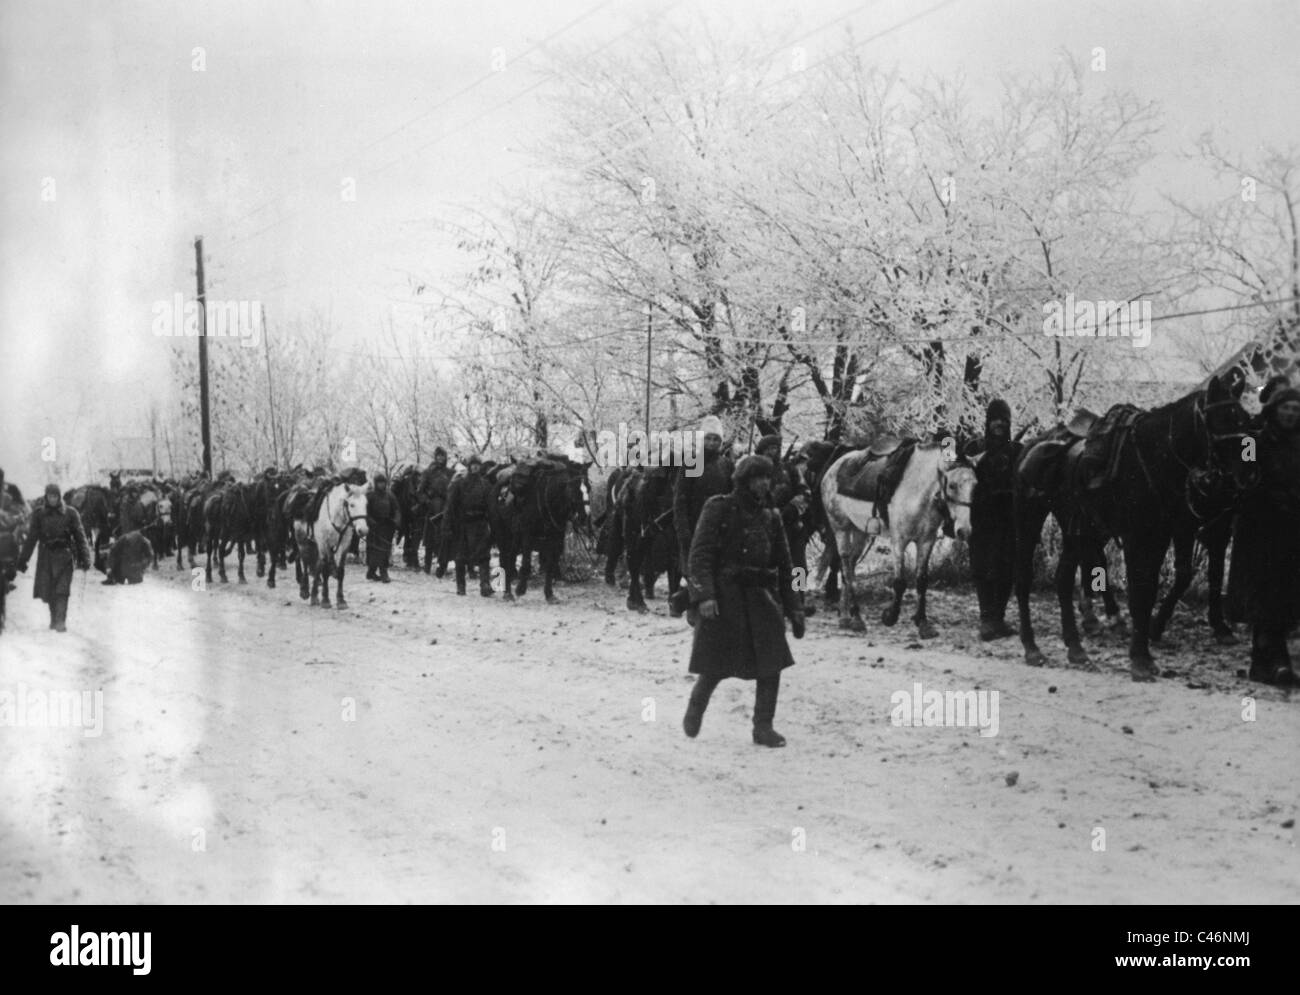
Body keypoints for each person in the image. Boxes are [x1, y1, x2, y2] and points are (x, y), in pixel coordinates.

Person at [682, 455, 806, 748]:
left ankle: (763, 727)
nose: (764, 483)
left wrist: (795, 607)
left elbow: (788, 566)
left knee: (771, 665)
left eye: (767, 478)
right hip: (726, 597)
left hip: (762, 597)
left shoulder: (772, 516)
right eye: (758, 477)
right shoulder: (719, 507)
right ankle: (695, 707)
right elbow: (699, 555)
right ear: (744, 479)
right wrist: (705, 596)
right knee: (715, 666)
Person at [1230, 385, 1300, 685]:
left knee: (1284, 598)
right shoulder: (1252, 440)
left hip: (1292, 532)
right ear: (1273, 409)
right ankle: (1276, 663)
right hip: (1261, 532)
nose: (1291, 414)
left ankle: (1263, 665)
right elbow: (1243, 480)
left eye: (1297, 410)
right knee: (1265, 597)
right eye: (1286, 408)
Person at [963, 399, 1022, 640]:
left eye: (1004, 419)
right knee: (983, 568)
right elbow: (953, 467)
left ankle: (998, 618)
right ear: (988, 421)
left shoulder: (1017, 450)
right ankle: (986, 619)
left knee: (1006, 570)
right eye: (995, 419)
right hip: (981, 518)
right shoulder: (974, 447)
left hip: (1009, 519)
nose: (999, 424)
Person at [16, 482, 91, 632]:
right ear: (46, 496)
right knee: (50, 591)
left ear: (59, 496)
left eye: (55, 496)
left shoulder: (71, 513)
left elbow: (80, 536)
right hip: (46, 557)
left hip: (65, 556)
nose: (53, 499)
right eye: (50, 496)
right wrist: (23, 560)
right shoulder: (39, 515)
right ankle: (54, 619)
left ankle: (60, 621)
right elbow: (32, 538)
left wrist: (85, 557)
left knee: (62, 590)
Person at [754, 433, 815, 615]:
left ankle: (798, 603)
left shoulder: (789, 470)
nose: (772, 452)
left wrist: (793, 508)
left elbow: (805, 493)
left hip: (791, 527)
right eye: (768, 449)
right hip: (763, 529)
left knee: (799, 567)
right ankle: (769, 603)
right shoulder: (753, 472)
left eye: (775, 448)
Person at [673, 415, 733, 572]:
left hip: (719, 528)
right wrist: (683, 532)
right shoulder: (692, 463)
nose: (712, 443)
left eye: (716, 439)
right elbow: (680, 500)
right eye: (708, 438)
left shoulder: (726, 465)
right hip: (694, 526)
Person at [445, 454, 494, 597]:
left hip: (480, 524)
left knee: (484, 556)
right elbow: (450, 506)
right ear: (469, 466)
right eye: (473, 464)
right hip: (463, 525)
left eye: (478, 464)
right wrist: (446, 526)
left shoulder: (485, 485)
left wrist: (493, 526)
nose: (475, 467)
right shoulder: (460, 483)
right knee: (461, 556)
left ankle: (485, 585)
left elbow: (491, 507)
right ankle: (461, 586)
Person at [418, 447, 454, 576]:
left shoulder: (450, 473)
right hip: (432, 508)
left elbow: (453, 490)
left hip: (446, 508)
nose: (440, 458)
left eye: (442, 456)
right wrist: (427, 502)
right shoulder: (428, 473)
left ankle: (441, 566)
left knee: (444, 538)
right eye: (438, 456)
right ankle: (427, 565)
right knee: (429, 538)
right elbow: (420, 491)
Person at [365, 473, 401, 583]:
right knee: (374, 550)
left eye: (383, 482)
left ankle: (383, 571)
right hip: (374, 527)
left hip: (387, 526)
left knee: (385, 550)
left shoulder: (390, 495)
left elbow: (396, 510)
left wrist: (396, 521)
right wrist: (370, 521)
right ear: (376, 483)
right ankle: (371, 571)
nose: (382, 485)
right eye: (379, 482)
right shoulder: (370, 495)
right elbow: (364, 512)